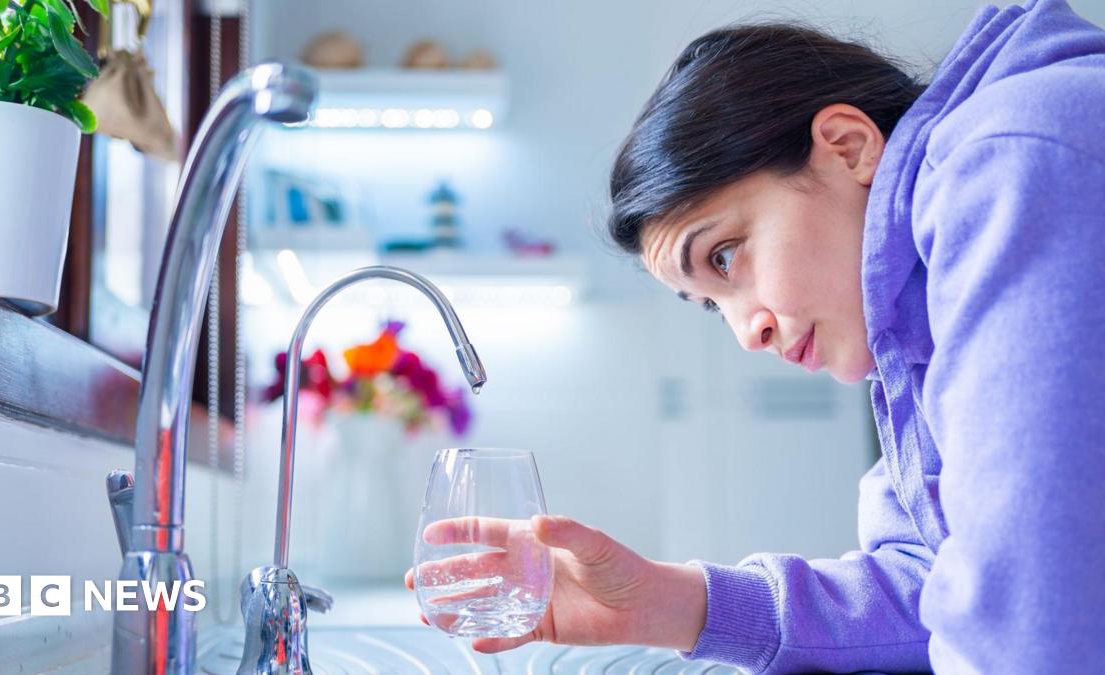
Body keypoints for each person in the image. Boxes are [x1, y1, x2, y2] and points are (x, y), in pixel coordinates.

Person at [406, 0, 1105, 671]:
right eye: (712, 305)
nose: (749, 331)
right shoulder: (912, 321)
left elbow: (1030, 631)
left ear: (847, 146)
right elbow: (931, 585)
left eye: (726, 256)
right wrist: (665, 601)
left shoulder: (1016, 162)